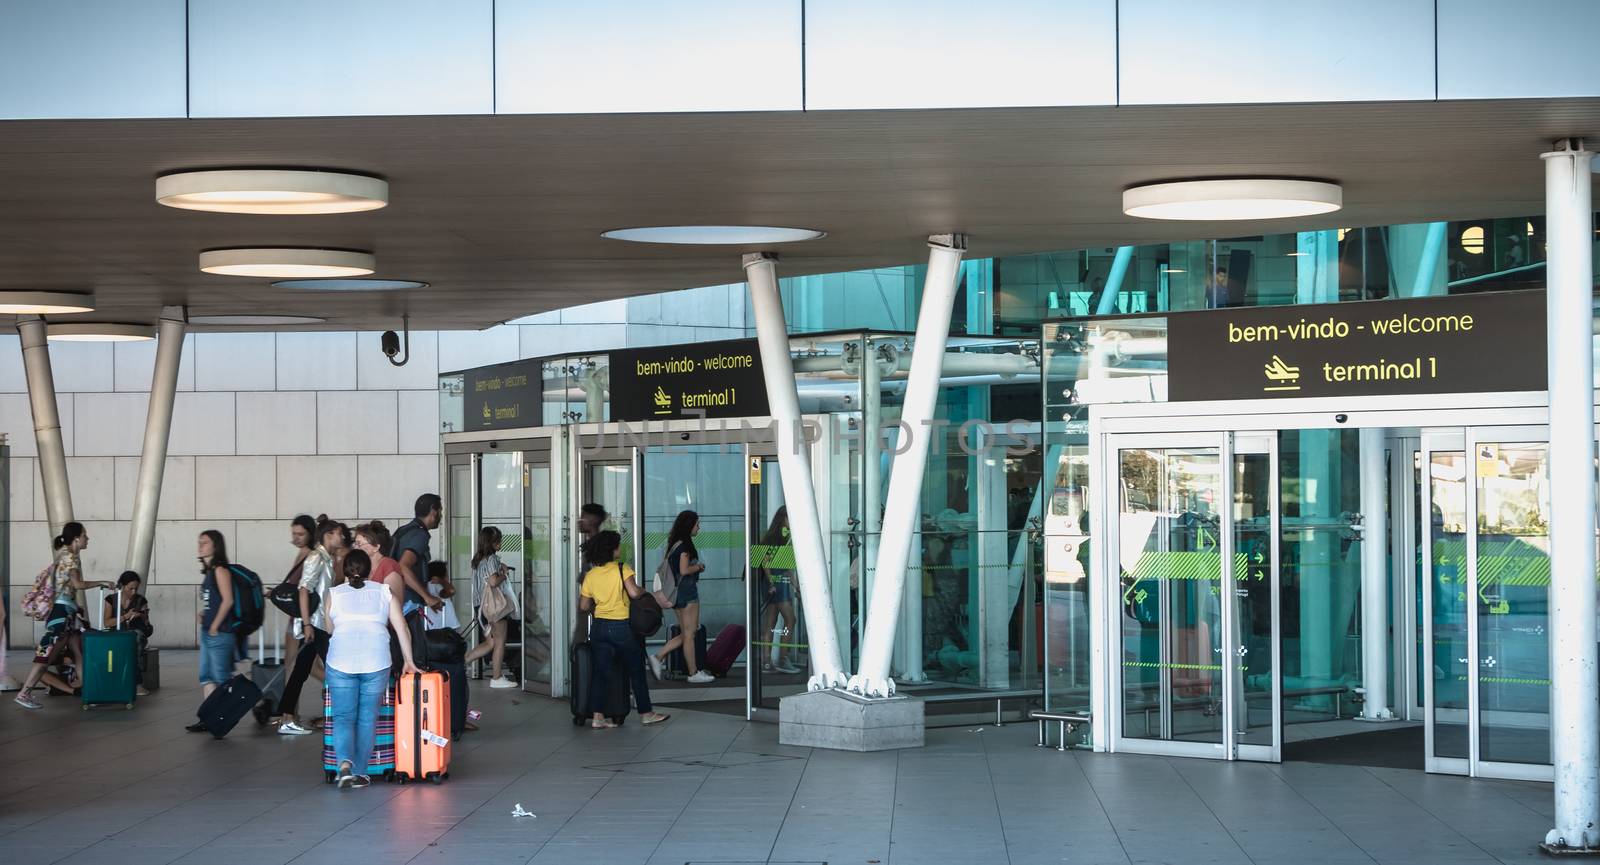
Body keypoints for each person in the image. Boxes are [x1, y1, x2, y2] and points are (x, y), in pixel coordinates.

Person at [324, 548, 419, 789]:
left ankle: (343, 764)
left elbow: (330, 630)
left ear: (345, 570)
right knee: (367, 718)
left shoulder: (334, 594)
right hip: (376, 661)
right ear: (370, 570)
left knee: (343, 718)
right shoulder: (384, 592)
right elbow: (401, 628)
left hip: (340, 661)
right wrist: (409, 660)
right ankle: (360, 772)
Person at [578, 530, 669, 729]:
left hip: (599, 627)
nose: (621, 548)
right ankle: (646, 713)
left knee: (600, 672)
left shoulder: (591, 574)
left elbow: (584, 606)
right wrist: (645, 591)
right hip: (622, 627)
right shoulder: (622, 568)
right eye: (618, 545)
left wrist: (601, 604)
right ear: (612, 550)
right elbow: (634, 593)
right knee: (636, 671)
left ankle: (597, 716)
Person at [15, 523, 110, 710]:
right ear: (76, 538)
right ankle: (25, 692)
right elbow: (78, 584)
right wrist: (102, 582)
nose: (87, 539)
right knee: (46, 656)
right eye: (85, 535)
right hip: (61, 613)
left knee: (78, 650)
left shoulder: (64, 555)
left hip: (67, 613)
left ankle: (87, 691)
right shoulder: (70, 557)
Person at [273, 521, 338, 735]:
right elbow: (303, 590)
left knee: (300, 671)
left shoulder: (326, 558)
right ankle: (336, 715)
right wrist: (307, 623)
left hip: (319, 624)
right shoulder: (316, 557)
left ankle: (287, 718)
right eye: (338, 534)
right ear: (328, 535)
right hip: (316, 625)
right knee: (335, 668)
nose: (342, 538)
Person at [646, 510, 713, 684]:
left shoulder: (674, 544)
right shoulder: (684, 546)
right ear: (689, 525)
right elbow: (684, 570)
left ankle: (658, 657)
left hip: (676, 595)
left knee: (687, 632)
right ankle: (693, 673)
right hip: (687, 594)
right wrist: (698, 567)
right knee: (690, 634)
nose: (699, 527)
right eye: (697, 524)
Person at [187, 530, 235, 731]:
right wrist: (204, 615)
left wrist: (214, 624)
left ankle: (253, 706)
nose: (200, 546)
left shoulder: (219, 570)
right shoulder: (208, 572)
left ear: (215, 546)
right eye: (199, 542)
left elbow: (228, 600)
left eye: (205, 542)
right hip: (209, 631)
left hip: (220, 632)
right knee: (207, 676)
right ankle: (208, 718)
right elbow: (214, 601)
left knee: (222, 678)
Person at [464, 527, 517, 688]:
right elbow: (493, 582)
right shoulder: (492, 558)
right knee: (500, 641)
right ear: (492, 543)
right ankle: (497, 677)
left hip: (480, 606)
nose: (500, 543)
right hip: (493, 606)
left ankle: (460, 663)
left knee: (490, 643)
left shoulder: (477, 560)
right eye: (498, 540)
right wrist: (505, 573)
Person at [756, 507, 802, 675]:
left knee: (771, 621)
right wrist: (772, 582)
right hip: (776, 582)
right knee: (791, 619)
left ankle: (767, 661)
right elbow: (765, 562)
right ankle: (782, 658)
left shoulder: (781, 537)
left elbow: (786, 567)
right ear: (784, 519)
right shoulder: (779, 537)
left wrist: (796, 585)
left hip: (775, 582)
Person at [103, 571, 154, 697]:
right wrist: (126, 616)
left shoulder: (140, 600)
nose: (133, 592)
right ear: (122, 585)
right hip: (117, 632)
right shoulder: (111, 600)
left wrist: (142, 616)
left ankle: (137, 683)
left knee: (134, 640)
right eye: (130, 588)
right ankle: (117, 681)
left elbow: (147, 626)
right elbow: (107, 623)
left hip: (134, 633)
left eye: (136, 589)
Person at [281, 515, 319, 672]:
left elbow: (305, 589)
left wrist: (306, 623)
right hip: (299, 617)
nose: (296, 538)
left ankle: (340, 692)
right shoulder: (303, 554)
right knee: (291, 662)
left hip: (304, 619)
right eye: (294, 534)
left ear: (310, 534)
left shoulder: (311, 557)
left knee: (307, 666)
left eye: (300, 534)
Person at [423, 561, 460, 630]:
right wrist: (441, 581)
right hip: (444, 626)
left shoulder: (427, 585)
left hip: (436, 626)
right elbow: (451, 591)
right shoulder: (436, 584)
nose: (448, 576)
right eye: (446, 574)